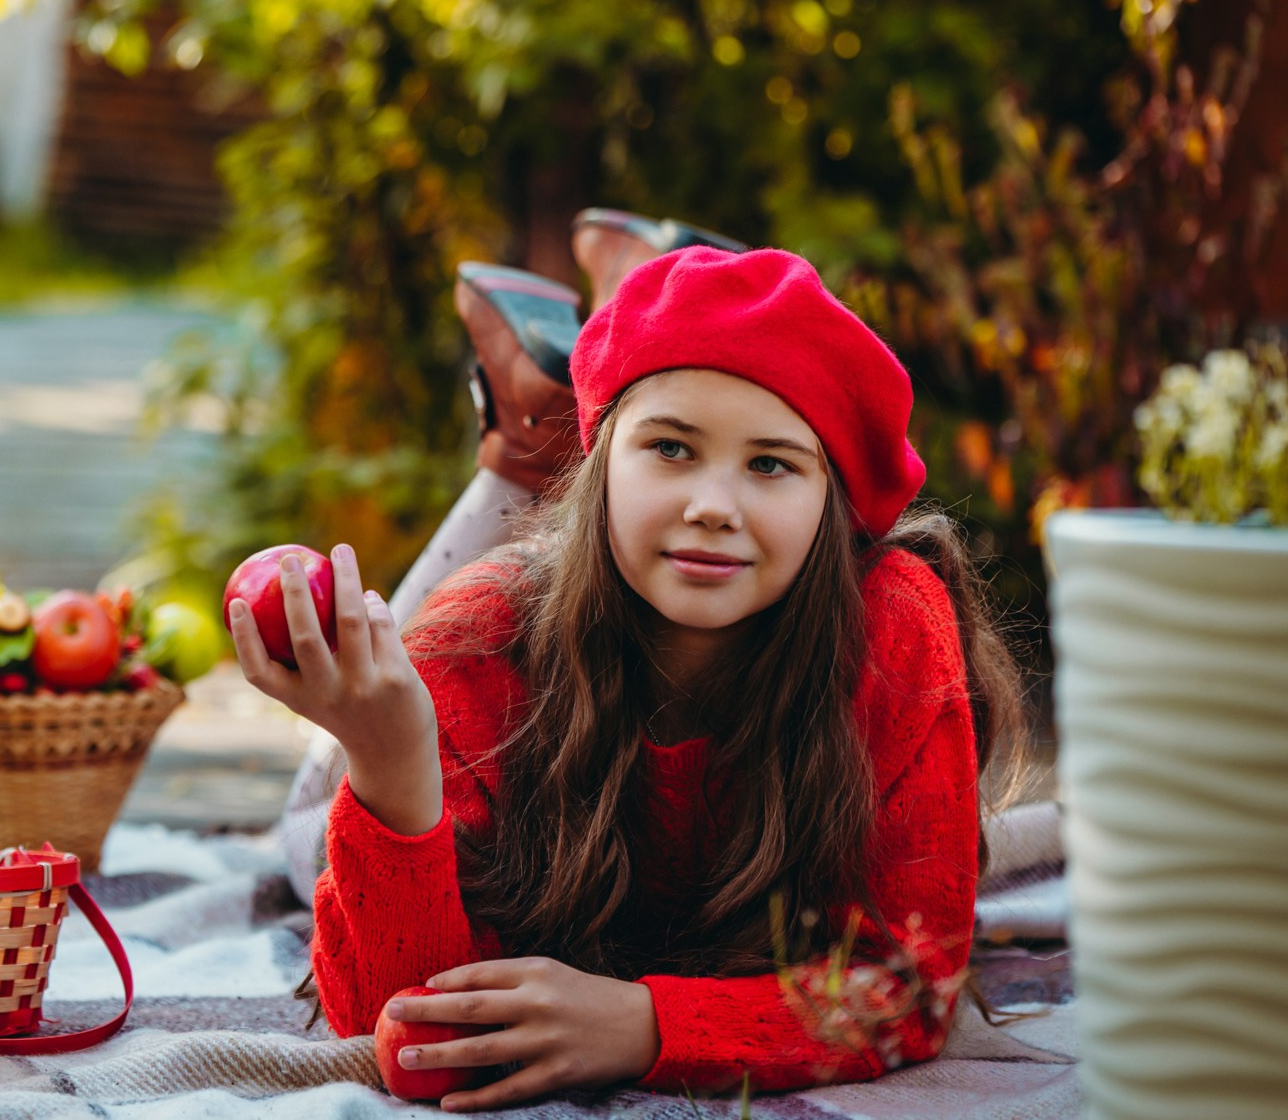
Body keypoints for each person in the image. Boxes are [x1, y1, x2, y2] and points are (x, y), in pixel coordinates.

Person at [227, 245, 1028, 1110]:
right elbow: (409, 1031)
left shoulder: (893, 629)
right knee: (306, 831)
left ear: (835, 500)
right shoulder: (476, 643)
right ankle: (528, 432)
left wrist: (647, 1026)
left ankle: (624, 314)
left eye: (770, 463)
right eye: (670, 447)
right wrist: (389, 767)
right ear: (602, 460)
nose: (712, 506)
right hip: (412, 737)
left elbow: (907, 986)